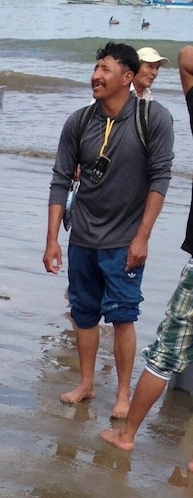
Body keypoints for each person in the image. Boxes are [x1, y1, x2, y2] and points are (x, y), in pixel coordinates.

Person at [42, 42, 174, 419]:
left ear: (127, 78)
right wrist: (52, 238)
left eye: (105, 69)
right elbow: (60, 180)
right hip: (82, 237)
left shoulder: (153, 118)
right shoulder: (79, 121)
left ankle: (121, 395)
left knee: (122, 316)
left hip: (124, 241)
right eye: (95, 68)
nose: (95, 76)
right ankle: (85, 384)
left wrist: (142, 236)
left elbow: (160, 180)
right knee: (83, 314)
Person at [100, 45, 193, 470]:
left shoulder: (158, 111)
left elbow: (188, 55)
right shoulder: (124, 110)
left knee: (165, 351)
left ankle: (127, 434)